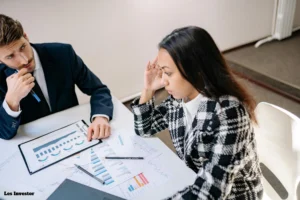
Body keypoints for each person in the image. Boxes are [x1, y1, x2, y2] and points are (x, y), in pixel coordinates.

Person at [131, 26, 263, 199]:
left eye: (168, 73)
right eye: (162, 71)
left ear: (195, 70)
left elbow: (210, 193)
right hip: (196, 181)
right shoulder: (179, 100)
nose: (163, 81)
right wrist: (148, 89)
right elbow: (144, 128)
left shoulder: (229, 114)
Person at [0, 14, 113, 141]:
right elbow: (4, 133)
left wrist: (100, 117)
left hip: (77, 133)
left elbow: (98, 89)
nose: (24, 59)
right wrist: (11, 101)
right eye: (10, 56)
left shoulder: (63, 53)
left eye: (23, 47)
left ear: (26, 37)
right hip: (35, 141)